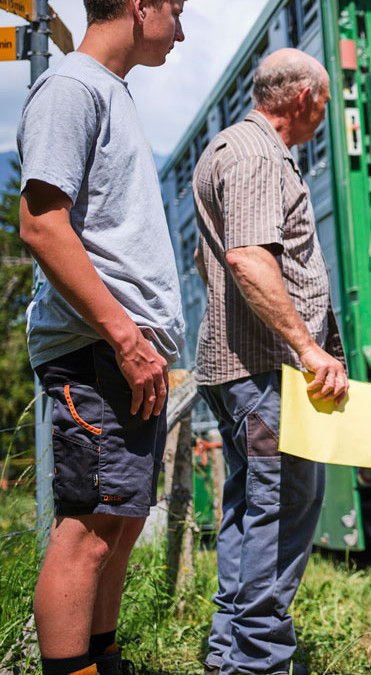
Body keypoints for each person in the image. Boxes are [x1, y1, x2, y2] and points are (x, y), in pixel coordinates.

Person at [17, 2, 187, 674]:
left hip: (123, 351)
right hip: (98, 347)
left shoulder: (109, 94)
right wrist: (125, 335)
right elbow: (41, 225)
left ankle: (101, 656)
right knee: (86, 530)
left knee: (119, 523)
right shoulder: (72, 88)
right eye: (175, 10)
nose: (181, 29)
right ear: (140, 5)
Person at [192, 47, 348, 675]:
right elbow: (250, 260)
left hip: (238, 368)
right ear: (305, 98)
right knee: (281, 513)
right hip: (264, 371)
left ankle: (230, 654)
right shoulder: (257, 155)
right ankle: (259, 664)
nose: (326, 114)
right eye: (327, 103)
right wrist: (309, 349)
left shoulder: (235, 148)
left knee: (249, 512)